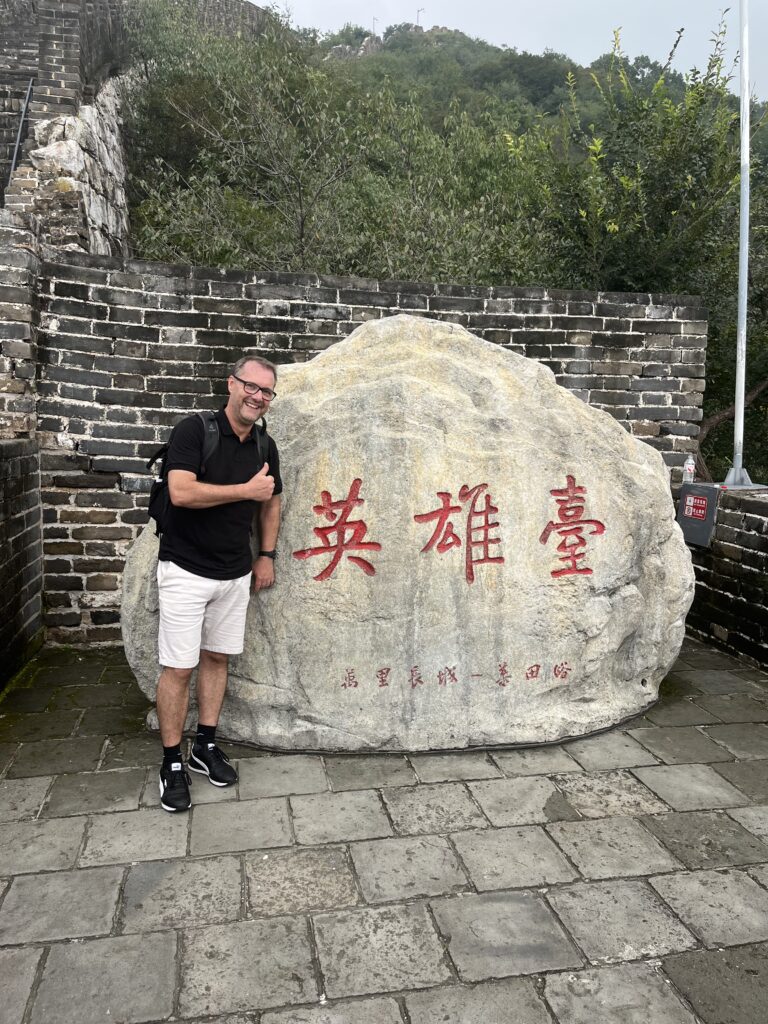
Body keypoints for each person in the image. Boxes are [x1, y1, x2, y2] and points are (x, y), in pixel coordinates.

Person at [155, 355, 282, 812]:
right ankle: (171, 761)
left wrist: (265, 555)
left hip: (235, 574)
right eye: (251, 386)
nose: (257, 397)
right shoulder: (194, 431)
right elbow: (181, 491)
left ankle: (204, 745)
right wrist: (244, 491)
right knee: (178, 668)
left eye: (267, 391)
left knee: (217, 659)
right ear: (231, 384)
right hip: (185, 570)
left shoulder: (264, 444)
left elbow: (272, 501)